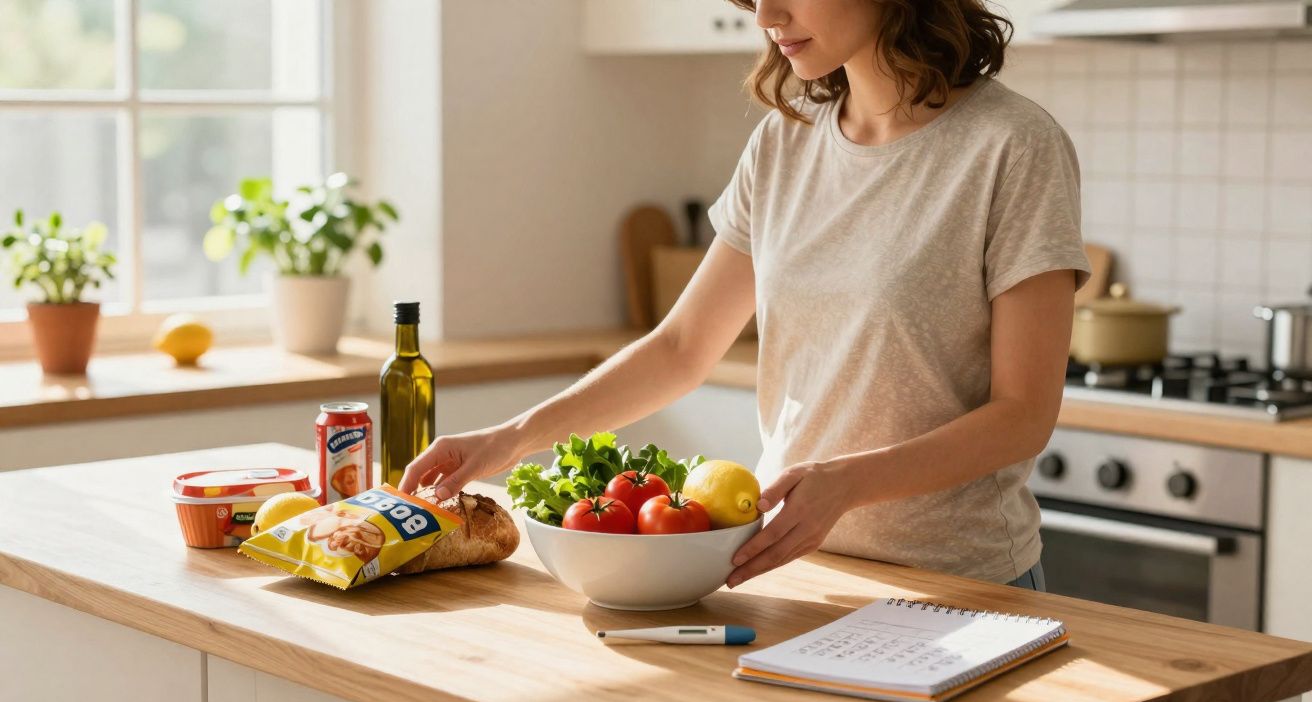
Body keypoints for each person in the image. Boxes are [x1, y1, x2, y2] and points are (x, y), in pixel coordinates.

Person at [399, 0, 1090, 594]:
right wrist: (509, 439)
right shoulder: (783, 142)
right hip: (794, 570)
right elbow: (680, 348)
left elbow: (1022, 415)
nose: (765, 18)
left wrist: (846, 483)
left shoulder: (1013, 146)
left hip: (962, 584)